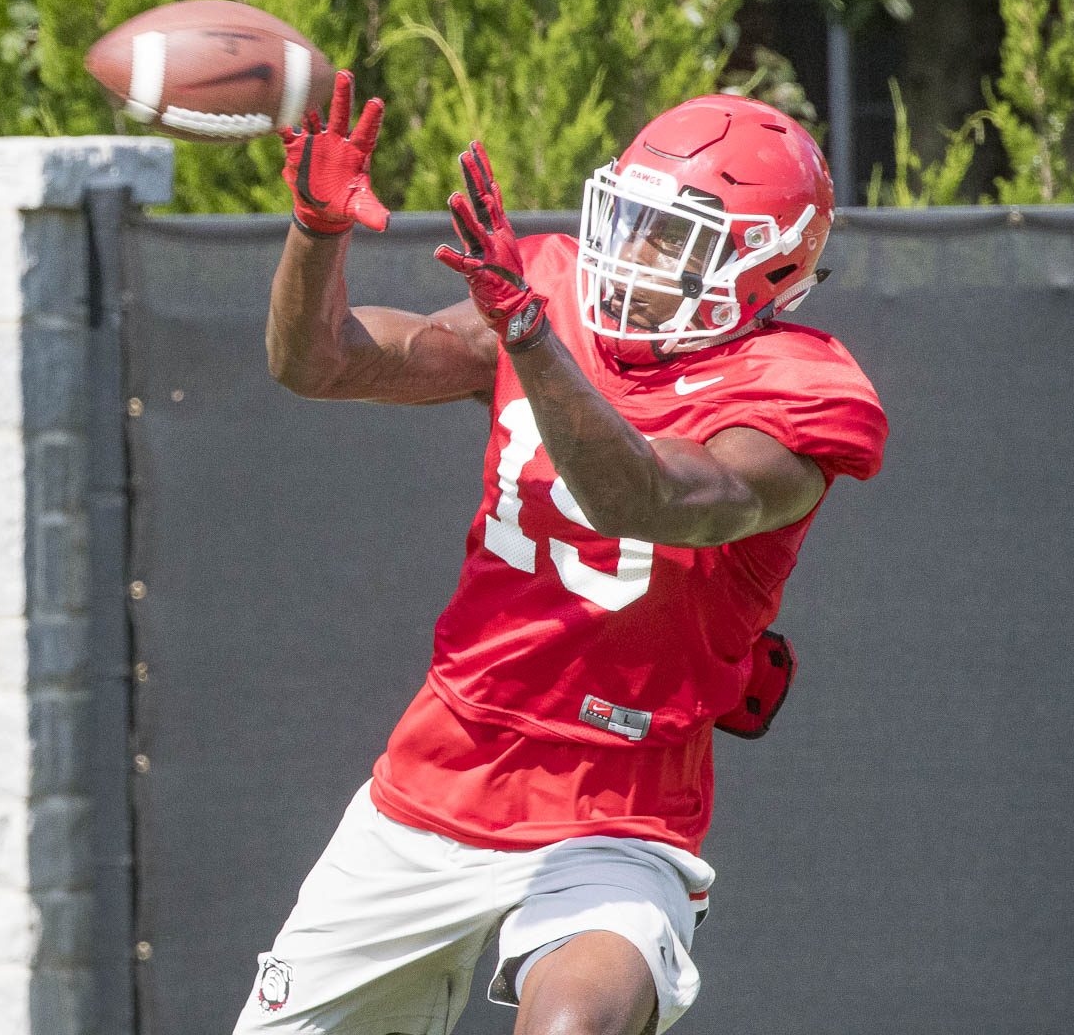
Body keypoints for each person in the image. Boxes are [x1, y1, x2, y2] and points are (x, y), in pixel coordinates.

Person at [233, 71, 888, 1035]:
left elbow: (655, 498)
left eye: (674, 237)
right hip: (441, 768)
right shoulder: (549, 293)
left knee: (569, 1029)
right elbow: (318, 360)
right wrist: (316, 231)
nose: (630, 255)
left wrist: (535, 343)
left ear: (771, 267)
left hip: (619, 799)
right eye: (628, 219)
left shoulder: (799, 392)